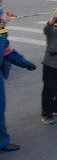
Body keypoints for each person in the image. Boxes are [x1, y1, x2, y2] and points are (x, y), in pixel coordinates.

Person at [2, 19, 37, 150]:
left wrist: (26, 64)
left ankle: (2, 141)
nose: (4, 23)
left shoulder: (1, 36)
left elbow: (9, 53)